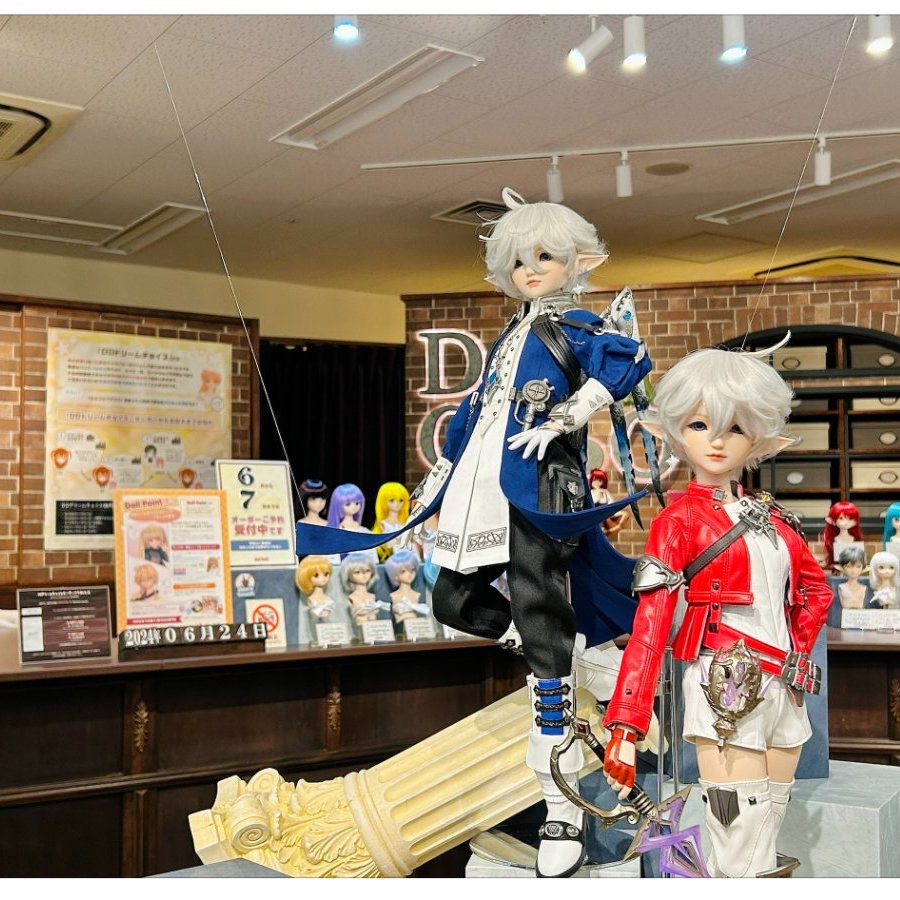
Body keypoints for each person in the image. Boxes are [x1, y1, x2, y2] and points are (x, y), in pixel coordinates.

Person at [297, 187, 652, 877]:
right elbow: (472, 416)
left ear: (576, 261)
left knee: (543, 636)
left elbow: (628, 359)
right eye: (519, 260)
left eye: (545, 257)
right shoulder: (511, 334)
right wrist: (438, 477)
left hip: (538, 487)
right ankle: (558, 646)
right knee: (452, 598)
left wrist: (568, 416)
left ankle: (561, 807)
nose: (531, 270)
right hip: (481, 488)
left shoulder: (573, 325)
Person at [601, 343, 833, 878]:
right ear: (677, 429)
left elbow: (816, 591)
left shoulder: (772, 517)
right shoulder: (678, 522)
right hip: (724, 687)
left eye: (735, 427)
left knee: (765, 837)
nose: (717, 440)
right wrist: (626, 725)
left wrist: (796, 652)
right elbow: (651, 625)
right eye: (700, 424)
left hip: (784, 688)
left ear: (757, 437)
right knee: (739, 841)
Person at [371, 482, 411, 562]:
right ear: (383, 501)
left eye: (401, 500)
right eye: (392, 500)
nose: (397, 504)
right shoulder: (383, 525)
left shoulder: (406, 524)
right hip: (390, 560)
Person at [821, 500, 863, 574]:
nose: (846, 522)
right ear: (833, 521)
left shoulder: (855, 539)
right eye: (841, 518)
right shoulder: (834, 540)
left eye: (850, 518)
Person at [588, 467, 630, 539]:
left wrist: (613, 511)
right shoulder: (591, 493)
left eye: (599, 481)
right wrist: (598, 493)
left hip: (607, 514)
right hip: (596, 515)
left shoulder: (605, 492)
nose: (597, 483)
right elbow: (592, 503)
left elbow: (611, 503)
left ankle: (610, 531)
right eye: (595, 480)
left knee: (625, 514)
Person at [836, 545, 869, 609]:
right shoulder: (841, 587)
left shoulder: (864, 588)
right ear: (842, 567)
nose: (854, 570)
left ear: (863, 567)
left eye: (858, 566)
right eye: (849, 566)